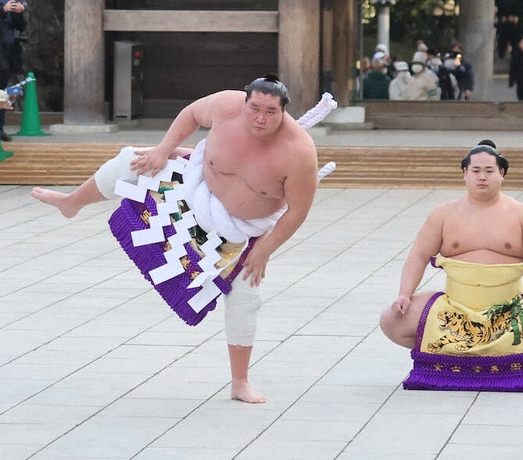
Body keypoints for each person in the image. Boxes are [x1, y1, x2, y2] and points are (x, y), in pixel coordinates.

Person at [31, 76, 324, 403]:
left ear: (284, 112)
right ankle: (72, 203)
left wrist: (265, 251)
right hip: (195, 187)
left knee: (246, 296)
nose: (260, 117)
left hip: (243, 229)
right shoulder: (225, 105)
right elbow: (192, 115)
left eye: (270, 112)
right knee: (133, 158)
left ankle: (239, 382)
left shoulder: (298, 152)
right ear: (243, 103)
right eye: (254, 108)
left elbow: (298, 210)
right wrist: (164, 150)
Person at [379, 141, 523, 391]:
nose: (482, 177)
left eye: (489, 170)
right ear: (465, 174)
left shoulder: (522, 214)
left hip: (509, 309)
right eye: (475, 171)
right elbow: (419, 255)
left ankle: (499, 356)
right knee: (391, 319)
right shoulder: (443, 213)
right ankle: (460, 356)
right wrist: (404, 295)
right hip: (453, 308)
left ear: (501, 173)